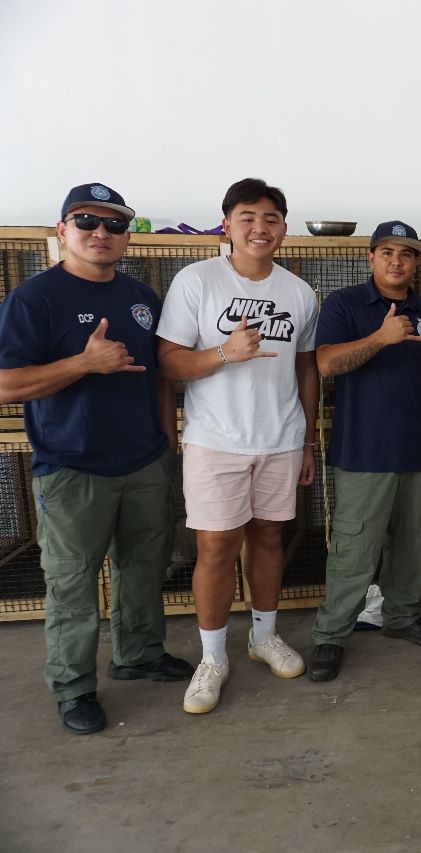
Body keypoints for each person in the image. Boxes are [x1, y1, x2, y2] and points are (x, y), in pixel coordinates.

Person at [0, 183, 193, 734]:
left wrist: (166, 440)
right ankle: (74, 686)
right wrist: (82, 365)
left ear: (127, 236)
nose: (101, 233)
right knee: (72, 583)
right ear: (62, 230)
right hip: (72, 466)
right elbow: (6, 384)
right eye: (87, 222)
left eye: (114, 225)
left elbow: (158, 374)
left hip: (144, 461)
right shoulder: (33, 299)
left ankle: (138, 654)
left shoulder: (141, 296)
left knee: (143, 569)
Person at [157, 178, 319, 714]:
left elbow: (305, 370)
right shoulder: (197, 280)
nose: (260, 227)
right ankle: (212, 658)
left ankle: (263, 636)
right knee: (216, 549)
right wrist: (224, 354)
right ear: (226, 223)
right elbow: (170, 361)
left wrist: (307, 441)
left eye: (271, 218)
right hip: (216, 441)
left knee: (269, 537)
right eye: (248, 216)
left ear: (284, 229)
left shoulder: (299, 292)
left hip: (280, 438)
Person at [307, 221, 421, 681]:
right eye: (386, 252)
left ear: (415, 263)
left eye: (406, 254)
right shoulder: (345, 304)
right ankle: (331, 635)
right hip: (364, 453)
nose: (396, 261)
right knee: (355, 548)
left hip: (417, 449)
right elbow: (327, 364)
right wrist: (380, 338)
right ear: (370, 258)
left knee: (412, 544)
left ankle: (403, 616)